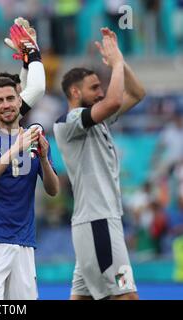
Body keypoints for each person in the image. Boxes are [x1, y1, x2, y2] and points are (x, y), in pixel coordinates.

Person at [53, 28, 146, 300]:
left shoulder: (97, 121)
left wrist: (120, 60)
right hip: (98, 222)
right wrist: (115, 64)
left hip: (98, 223)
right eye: (94, 88)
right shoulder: (68, 122)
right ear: (74, 91)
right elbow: (115, 99)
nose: (100, 92)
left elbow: (137, 92)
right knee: (127, 297)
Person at [0, 76, 60, 300]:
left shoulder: (33, 139)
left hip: (24, 243)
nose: (6, 104)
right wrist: (14, 149)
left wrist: (45, 159)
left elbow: (53, 189)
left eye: (10, 98)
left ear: (20, 101)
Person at [0, 18, 45, 130]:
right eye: (0, 100)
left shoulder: (8, 124)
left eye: (10, 98)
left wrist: (27, 60)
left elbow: (26, 89)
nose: (6, 106)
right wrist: (33, 52)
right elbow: (37, 89)